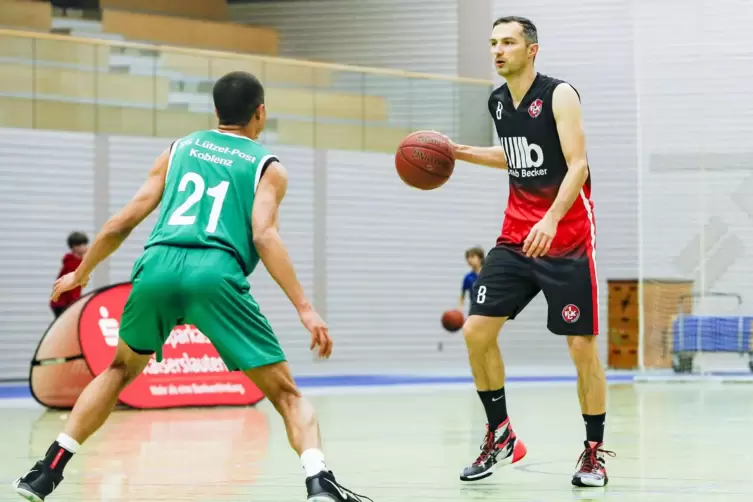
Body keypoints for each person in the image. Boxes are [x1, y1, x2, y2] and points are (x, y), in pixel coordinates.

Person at [13, 71, 370, 502]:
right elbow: (264, 236)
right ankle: (319, 482)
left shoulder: (178, 149)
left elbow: (121, 222)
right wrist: (305, 307)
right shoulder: (267, 167)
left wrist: (81, 272)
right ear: (261, 113)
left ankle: (45, 472)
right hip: (215, 273)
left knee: (119, 370)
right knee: (287, 395)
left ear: (215, 112)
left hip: (157, 265)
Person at [443, 16, 614, 487]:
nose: (498, 50)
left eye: (509, 42)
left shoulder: (560, 94)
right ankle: (500, 435)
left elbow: (577, 164)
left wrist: (552, 217)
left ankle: (593, 452)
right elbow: (513, 154)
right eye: (493, 42)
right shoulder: (499, 101)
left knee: (581, 348)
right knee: (476, 332)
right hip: (515, 238)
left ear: (532, 49)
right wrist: (460, 151)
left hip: (568, 240)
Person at [50, 231, 89, 318]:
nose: (84, 247)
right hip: (62, 303)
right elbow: (72, 286)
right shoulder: (72, 264)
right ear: (73, 247)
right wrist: (75, 303)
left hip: (66, 302)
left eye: (85, 244)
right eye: (80, 245)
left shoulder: (79, 262)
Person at [458, 247, 484, 311]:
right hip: (474, 311)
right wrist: (459, 310)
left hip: (488, 311)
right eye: (468, 257)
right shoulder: (468, 277)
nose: (469, 259)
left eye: (472, 257)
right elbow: (462, 295)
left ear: (480, 258)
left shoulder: (488, 275)